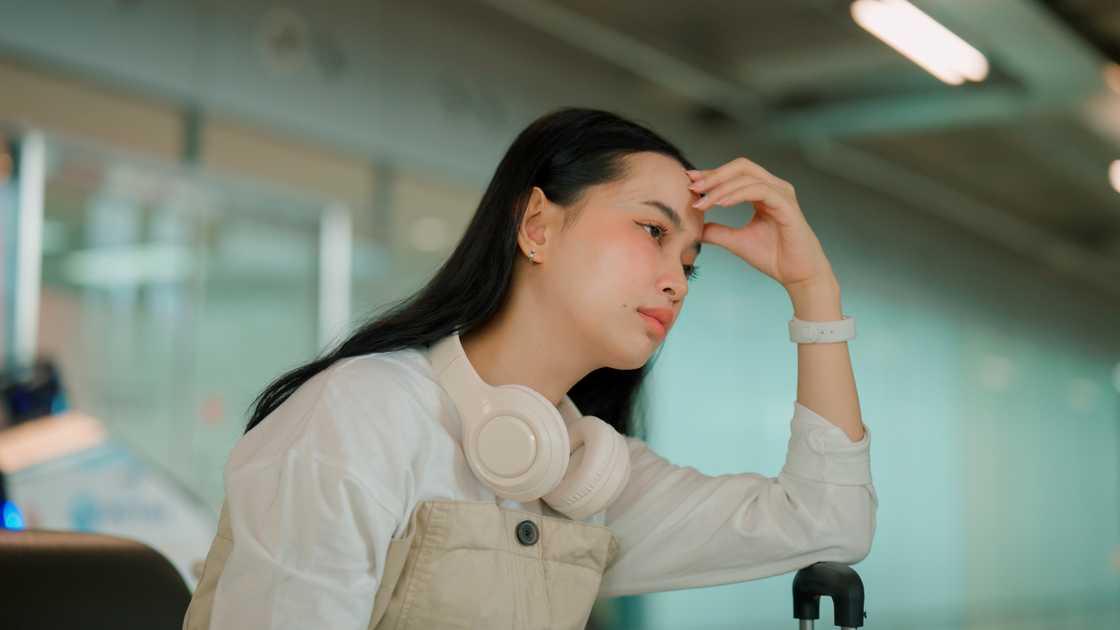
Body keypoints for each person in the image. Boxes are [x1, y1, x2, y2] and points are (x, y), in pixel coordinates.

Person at [182, 107, 877, 630]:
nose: (678, 282)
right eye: (654, 232)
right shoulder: (361, 415)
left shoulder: (589, 477)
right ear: (537, 225)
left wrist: (813, 289)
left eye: (690, 263)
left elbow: (828, 520)